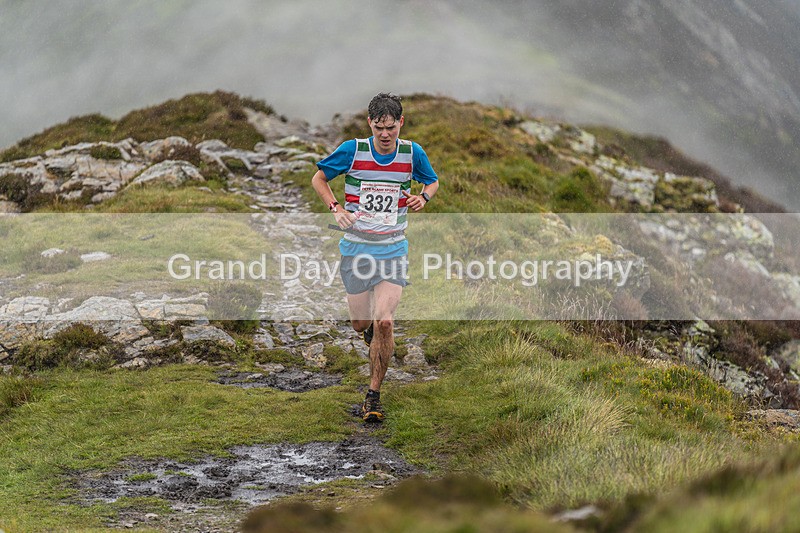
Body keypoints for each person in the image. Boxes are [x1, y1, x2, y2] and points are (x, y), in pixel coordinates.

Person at [311, 93, 439, 423]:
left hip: (393, 249)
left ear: (401, 123)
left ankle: (373, 395)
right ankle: (369, 334)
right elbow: (319, 178)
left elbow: (433, 181)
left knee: (385, 321)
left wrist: (423, 197)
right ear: (370, 123)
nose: (385, 134)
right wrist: (336, 209)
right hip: (356, 249)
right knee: (361, 323)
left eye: (391, 128)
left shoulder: (413, 153)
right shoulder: (353, 150)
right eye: (379, 127)